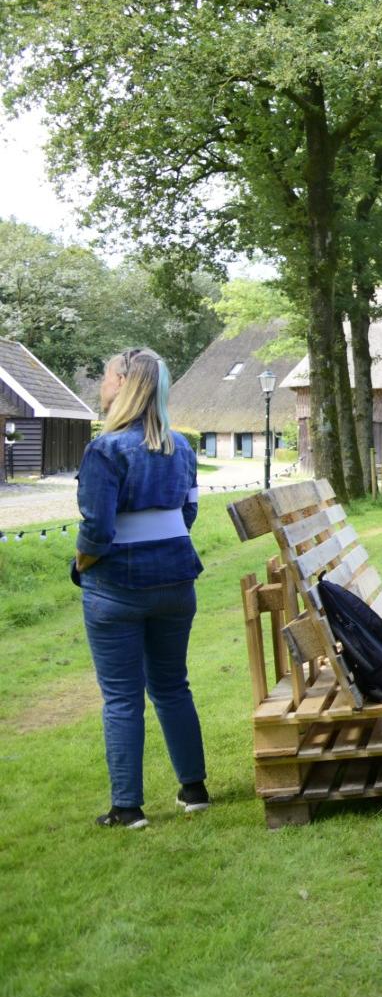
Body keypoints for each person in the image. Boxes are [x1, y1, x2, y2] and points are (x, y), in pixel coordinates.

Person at [73, 348, 209, 829]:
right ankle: (194, 789)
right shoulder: (182, 447)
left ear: (125, 383)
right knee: (173, 686)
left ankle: (127, 807)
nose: (102, 387)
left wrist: (80, 565)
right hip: (175, 581)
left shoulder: (104, 451)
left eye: (107, 377)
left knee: (122, 698)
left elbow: (97, 532)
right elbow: (188, 514)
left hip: (117, 589)